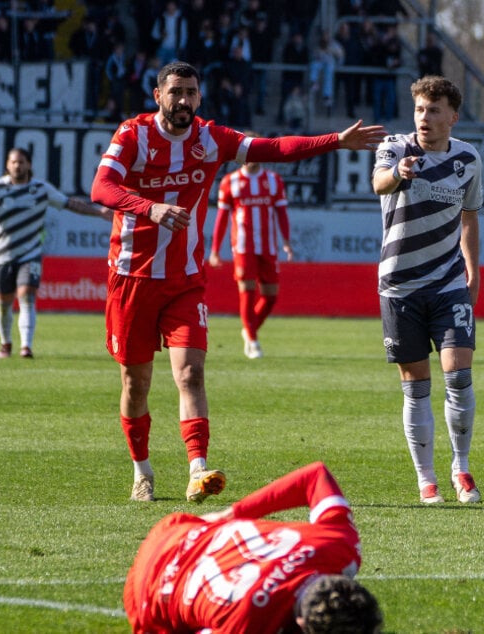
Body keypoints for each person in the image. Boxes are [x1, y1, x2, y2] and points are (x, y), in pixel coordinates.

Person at [91, 60, 386, 504]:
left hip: (185, 282)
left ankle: (197, 469)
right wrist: (151, 209)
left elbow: (276, 148)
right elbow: (101, 188)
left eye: (192, 92)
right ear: (158, 96)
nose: (184, 100)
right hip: (131, 278)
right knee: (136, 383)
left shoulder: (210, 139)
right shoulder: (133, 135)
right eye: (176, 92)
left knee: (190, 373)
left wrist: (336, 141)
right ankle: (142, 469)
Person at [372, 75, 483, 504]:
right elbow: (378, 183)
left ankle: (462, 467)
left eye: (434, 110)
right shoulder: (397, 149)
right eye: (419, 109)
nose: (425, 117)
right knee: (416, 383)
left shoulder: (469, 159)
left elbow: (470, 216)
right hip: (399, 285)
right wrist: (398, 174)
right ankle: (426, 479)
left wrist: (473, 272)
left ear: (452, 117)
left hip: (449, 282)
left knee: (459, 374)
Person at [124, 461, 383, 634]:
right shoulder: (249, 623)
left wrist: (232, 514)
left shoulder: (341, 545)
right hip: (147, 592)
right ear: (302, 624)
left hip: (180, 529)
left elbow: (315, 475)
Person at [0, 148, 112, 359]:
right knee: (3, 303)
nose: (17, 166)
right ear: (7, 165)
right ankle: (6, 344)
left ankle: (26, 347)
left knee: (27, 295)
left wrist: (98, 213)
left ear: (29, 164)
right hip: (2, 255)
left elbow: (69, 204)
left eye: (21, 162)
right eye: (13, 162)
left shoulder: (40, 189)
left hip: (29, 254)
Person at [209, 134, 293, 359]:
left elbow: (281, 213)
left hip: (268, 246)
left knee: (271, 296)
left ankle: (248, 329)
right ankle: (253, 341)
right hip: (243, 247)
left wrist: (286, 242)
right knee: (247, 292)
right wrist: (215, 249)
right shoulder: (230, 182)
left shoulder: (274, 180)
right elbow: (221, 218)